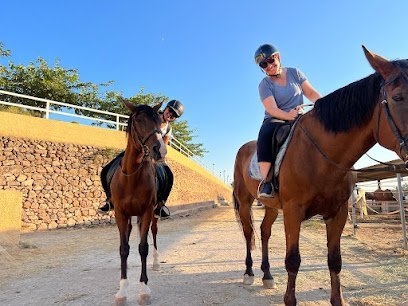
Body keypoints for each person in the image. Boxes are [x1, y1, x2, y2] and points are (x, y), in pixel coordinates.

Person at [98, 99, 185, 218]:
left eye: (174, 115)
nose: (171, 115)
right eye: (170, 111)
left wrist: (157, 156)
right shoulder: (151, 116)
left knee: (169, 175)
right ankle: (110, 200)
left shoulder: (169, 129)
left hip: (154, 154)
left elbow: (164, 144)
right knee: (106, 170)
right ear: (166, 108)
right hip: (137, 150)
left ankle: (160, 204)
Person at [254, 44, 321, 198]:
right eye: (263, 65)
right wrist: (288, 116)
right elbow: (271, 109)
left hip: (299, 116)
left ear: (277, 57)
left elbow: (310, 92)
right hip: (275, 119)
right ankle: (267, 181)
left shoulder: (294, 73)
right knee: (264, 135)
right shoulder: (264, 84)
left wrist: (324, 104)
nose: (269, 66)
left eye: (270, 61)